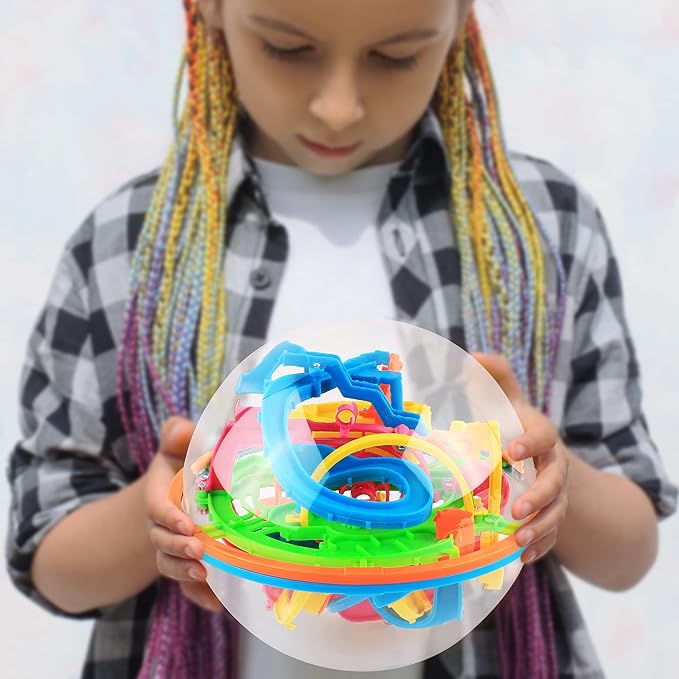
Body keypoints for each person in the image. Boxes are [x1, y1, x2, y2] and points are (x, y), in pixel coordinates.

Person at [6, 1, 677, 678]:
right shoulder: (125, 245)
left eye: (395, 56)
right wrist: (170, 512)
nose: (338, 108)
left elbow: (630, 553)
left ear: (460, 16)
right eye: (287, 48)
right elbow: (50, 559)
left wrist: (547, 483)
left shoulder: (546, 228)